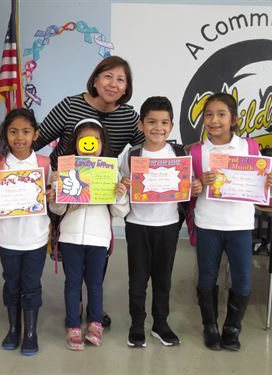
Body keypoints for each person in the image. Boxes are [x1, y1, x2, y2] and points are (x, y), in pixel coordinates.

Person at [36, 55, 144, 327]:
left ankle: (93, 305)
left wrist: (176, 164)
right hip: (66, 190)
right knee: (69, 252)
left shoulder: (128, 116)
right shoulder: (70, 105)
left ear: (127, 87)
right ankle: (77, 303)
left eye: (121, 79)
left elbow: (149, 151)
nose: (113, 84)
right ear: (95, 79)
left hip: (101, 197)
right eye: (108, 76)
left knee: (98, 249)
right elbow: (36, 139)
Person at [190, 93, 272, 351]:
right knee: (207, 277)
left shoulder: (249, 148)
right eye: (208, 114)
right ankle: (210, 326)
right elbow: (188, 189)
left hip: (240, 224)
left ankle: (232, 327)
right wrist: (197, 185)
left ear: (234, 120)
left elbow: (263, 181)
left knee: (242, 278)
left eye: (221, 114)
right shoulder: (197, 151)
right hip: (208, 223)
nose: (214, 120)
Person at [49, 119, 129, 351]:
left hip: (99, 237)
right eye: (84, 141)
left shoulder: (110, 172)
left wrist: (120, 194)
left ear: (102, 144)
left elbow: (118, 211)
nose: (90, 145)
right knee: (72, 283)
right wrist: (55, 196)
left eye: (94, 141)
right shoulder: (65, 171)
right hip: (70, 238)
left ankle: (95, 323)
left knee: (95, 284)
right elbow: (58, 210)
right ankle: (73, 324)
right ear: (76, 144)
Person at [120, 96, 185, 348]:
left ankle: (160, 323)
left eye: (164, 122)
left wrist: (195, 186)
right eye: (151, 122)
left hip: (168, 225)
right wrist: (124, 186)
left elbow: (187, 187)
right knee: (137, 279)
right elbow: (121, 185)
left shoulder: (179, 153)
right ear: (141, 125)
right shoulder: (131, 155)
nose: (158, 128)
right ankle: (137, 325)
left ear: (171, 126)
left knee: (163, 278)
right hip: (137, 224)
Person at [0, 108, 53, 356]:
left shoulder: (45, 164)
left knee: (31, 284)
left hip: (36, 237)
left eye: (26, 132)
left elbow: (55, 198)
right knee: (11, 284)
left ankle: (30, 332)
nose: (20, 137)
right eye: (13, 131)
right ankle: (14, 328)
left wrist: (52, 194)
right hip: (7, 237)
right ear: (6, 134)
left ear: (35, 134)